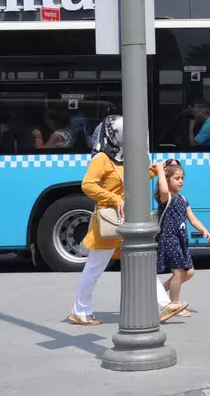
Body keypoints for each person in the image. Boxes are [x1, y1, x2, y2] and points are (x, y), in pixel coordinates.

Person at [67, 115, 188, 326]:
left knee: (142, 262)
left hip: (127, 222)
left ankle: (163, 304)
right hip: (109, 223)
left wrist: (159, 168)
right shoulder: (102, 159)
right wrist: (114, 199)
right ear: (114, 134)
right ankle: (80, 310)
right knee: (94, 269)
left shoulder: (124, 158)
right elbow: (88, 185)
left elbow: (135, 176)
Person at [154, 159, 210, 318]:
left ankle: (161, 294)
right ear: (167, 180)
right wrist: (160, 170)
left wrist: (204, 230)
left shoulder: (183, 199)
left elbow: (192, 219)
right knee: (178, 272)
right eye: (176, 178)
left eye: (182, 178)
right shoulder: (166, 198)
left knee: (189, 272)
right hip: (169, 239)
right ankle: (174, 304)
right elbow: (163, 191)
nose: (180, 181)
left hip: (180, 240)